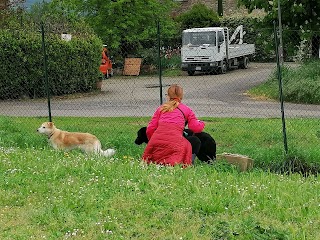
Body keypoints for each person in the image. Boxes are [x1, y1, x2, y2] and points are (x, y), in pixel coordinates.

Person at [142, 84, 205, 166]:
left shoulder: (161, 108)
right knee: (191, 143)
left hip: (156, 141)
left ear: (168, 96)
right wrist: (201, 123)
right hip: (175, 142)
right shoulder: (187, 109)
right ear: (181, 96)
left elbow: (150, 129)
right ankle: (190, 162)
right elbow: (195, 128)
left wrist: (153, 140)